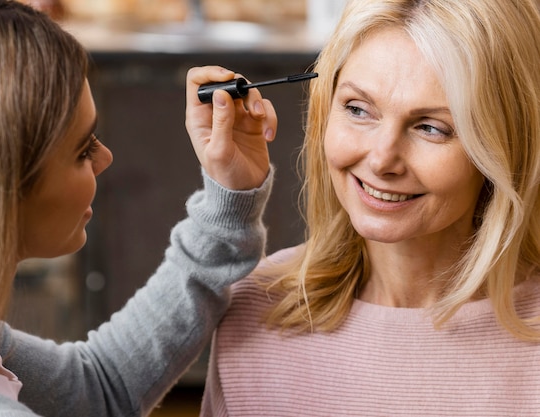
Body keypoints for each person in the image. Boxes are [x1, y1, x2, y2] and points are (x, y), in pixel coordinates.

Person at [0, 1, 278, 416]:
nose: (105, 158)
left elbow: (102, 387)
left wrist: (226, 207)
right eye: (83, 149)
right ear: (0, 190)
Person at [200, 0, 540, 415]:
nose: (381, 159)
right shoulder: (254, 308)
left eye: (432, 128)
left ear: (505, 146)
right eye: (358, 109)